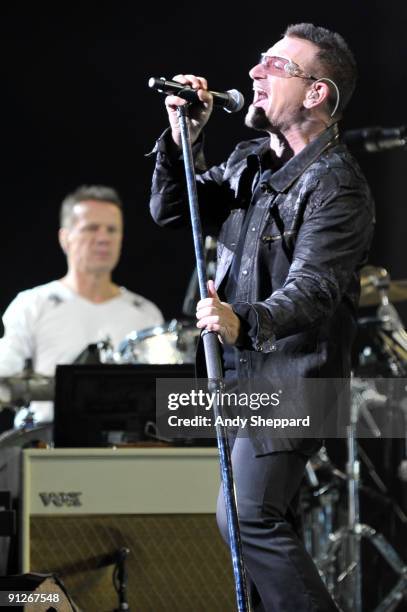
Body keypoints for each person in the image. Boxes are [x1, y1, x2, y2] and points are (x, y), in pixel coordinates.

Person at [149, 23, 375, 612]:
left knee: (245, 519)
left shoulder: (337, 184)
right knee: (257, 537)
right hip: (242, 378)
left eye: (276, 66)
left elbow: (314, 289)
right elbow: (173, 209)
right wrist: (182, 140)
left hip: (297, 382)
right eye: (260, 61)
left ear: (316, 93)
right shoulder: (249, 161)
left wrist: (243, 321)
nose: (255, 72)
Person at [0, 184, 164, 424]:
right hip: (48, 449)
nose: (103, 238)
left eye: (112, 230)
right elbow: (4, 378)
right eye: (91, 228)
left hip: (129, 451)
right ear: (65, 238)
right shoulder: (31, 304)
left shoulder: (146, 314)